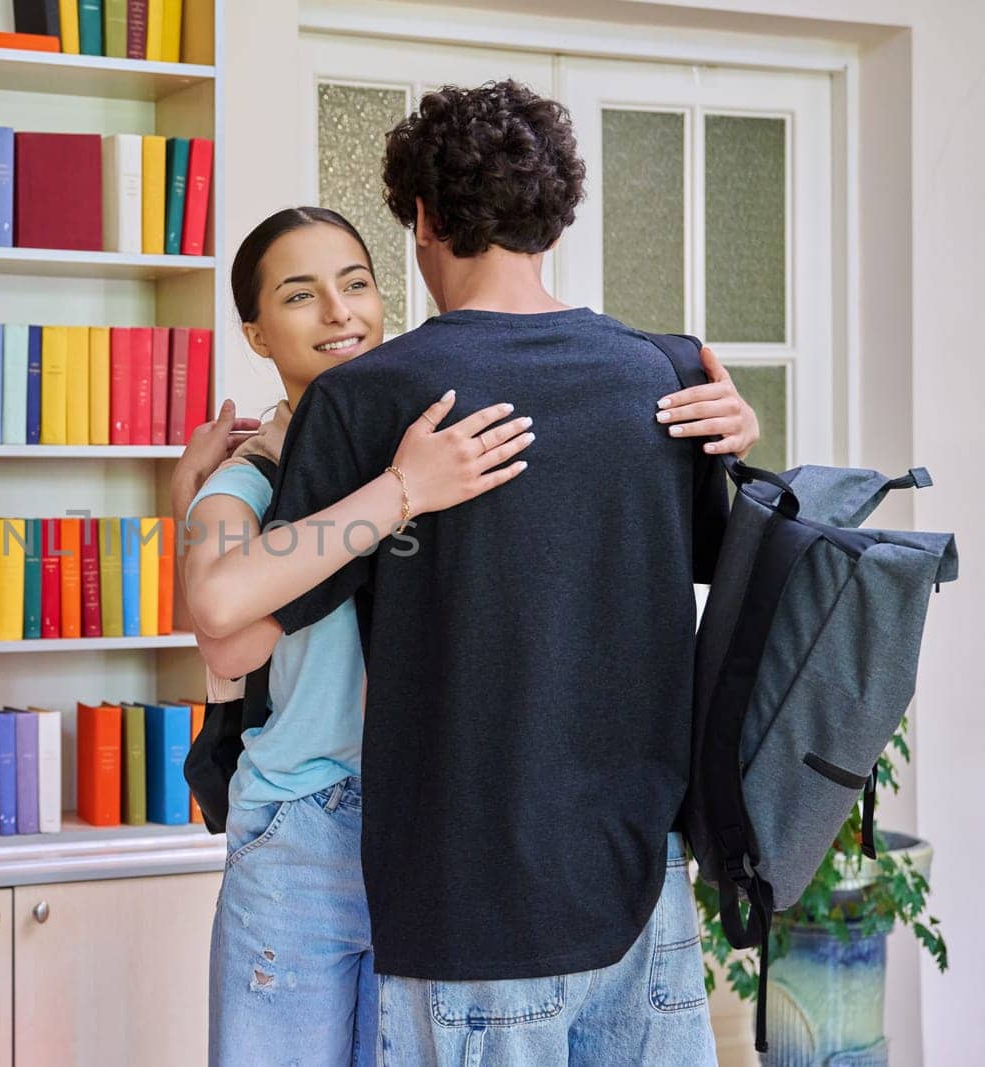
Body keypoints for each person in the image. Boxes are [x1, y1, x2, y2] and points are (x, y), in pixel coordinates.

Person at [174, 198, 756, 1061]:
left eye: (356, 283)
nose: (338, 310)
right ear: (255, 333)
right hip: (312, 819)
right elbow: (224, 633)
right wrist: (397, 492)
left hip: (444, 822)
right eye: (300, 295)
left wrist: (732, 436)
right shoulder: (255, 474)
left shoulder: (435, 421)